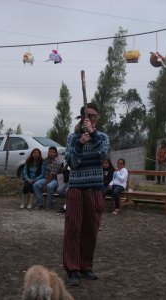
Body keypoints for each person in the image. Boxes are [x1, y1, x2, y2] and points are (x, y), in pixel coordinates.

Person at [63, 102, 109, 286]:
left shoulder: (103, 137)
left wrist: (93, 134)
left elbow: (103, 155)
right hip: (76, 188)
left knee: (91, 229)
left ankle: (85, 266)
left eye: (93, 116)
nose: (90, 119)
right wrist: (80, 144)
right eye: (87, 115)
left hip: (95, 188)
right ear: (82, 117)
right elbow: (72, 163)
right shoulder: (73, 137)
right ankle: (72, 268)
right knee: (73, 229)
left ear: (97, 118)